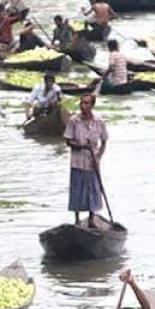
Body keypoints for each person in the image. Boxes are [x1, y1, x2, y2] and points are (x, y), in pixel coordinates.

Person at [64, 93, 108, 227]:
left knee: (92, 190)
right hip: (77, 162)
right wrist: (83, 146)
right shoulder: (74, 121)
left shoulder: (98, 121)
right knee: (77, 190)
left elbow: (104, 140)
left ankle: (91, 219)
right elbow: (68, 141)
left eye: (86, 103)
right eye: (82, 103)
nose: (83, 106)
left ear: (92, 105)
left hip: (92, 162)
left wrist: (98, 157)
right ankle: (77, 220)